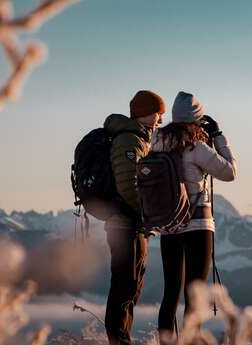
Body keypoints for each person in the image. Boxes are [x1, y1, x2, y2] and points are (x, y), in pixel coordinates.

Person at [150, 91, 237, 337]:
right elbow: (230, 172)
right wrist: (218, 137)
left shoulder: (156, 142)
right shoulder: (196, 146)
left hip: (169, 225)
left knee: (170, 293)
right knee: (194, 295)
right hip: (198, 225)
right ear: (195, 120)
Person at [103, 90, 165, 345]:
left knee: (130, 286)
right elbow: (129, 186)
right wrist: (147, 215)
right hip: (125, 224)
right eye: (157, 113)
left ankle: (121, 338)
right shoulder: (130, 140)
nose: (160, 119)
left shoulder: (139, 138)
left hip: (132, 224)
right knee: (124, 287)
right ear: (145, 113)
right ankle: (118, 340)